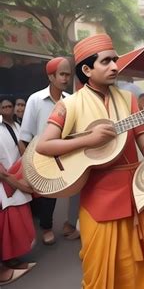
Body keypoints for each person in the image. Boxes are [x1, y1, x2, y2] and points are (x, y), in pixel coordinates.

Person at [35, 34, 144, 288]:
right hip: (99, 197)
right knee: (102, 274)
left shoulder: (129, 100)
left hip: (139, 194)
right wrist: (88, 141)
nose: (114, 67)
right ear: (87, 69)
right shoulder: (69, 105)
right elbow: (44, 146)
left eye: (115, 60)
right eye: (106, 61)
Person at [20, 57, 79, 245]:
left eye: (68, 75)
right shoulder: (35, 100)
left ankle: (71, 223)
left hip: (69, 153)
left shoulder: (72, 100)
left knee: (77, 189)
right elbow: (25, 137)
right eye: (62, 74)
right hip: (43, 157)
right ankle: (46, 227)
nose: (65, 79)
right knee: (48, 197)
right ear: (51, 76)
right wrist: (27, 167)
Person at [0, 96, 36, 275]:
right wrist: (12, 181)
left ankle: (14, 258)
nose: (7, 107)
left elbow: (23, 151)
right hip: (5, 183)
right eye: (3, 105)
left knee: (20, 219)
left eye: (10, 105)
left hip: (19, 175)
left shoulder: (17, 125)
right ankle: (8, 261)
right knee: (8, 223)